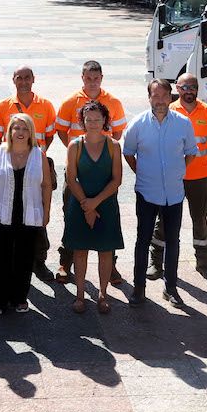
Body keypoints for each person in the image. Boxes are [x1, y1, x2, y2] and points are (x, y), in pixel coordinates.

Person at [122, 79, 199, 308]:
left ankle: (171, 288)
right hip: (147, 192)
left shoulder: (183, 123)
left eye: (165, 96)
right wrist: (142, 173)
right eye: (155, 96)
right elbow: (128, 152)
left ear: (171, 97)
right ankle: (138, 288)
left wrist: (178, 172)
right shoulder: (138, 124)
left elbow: (191, 152)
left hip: (174, 193)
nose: (160, 101)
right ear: (149, 98)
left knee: (173, 241)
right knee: (142, 240)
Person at [55, 61, 128, 285]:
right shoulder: (70, 101)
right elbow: (59, 129)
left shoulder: (113, 101)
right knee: (72, 214)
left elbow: (117, 132)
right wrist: (74, 153)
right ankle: (66, 262)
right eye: (88, 78)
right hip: (78, 168)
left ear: (102, 78)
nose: (92, 81)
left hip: (102, 170)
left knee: (107, 218)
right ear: (82, 77)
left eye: (96, 78)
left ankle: (110, 265)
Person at [150, 73, 207, 282]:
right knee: (164, 220)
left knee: (200, 219)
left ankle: (203, 263)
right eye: (184, 87)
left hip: (200, 177)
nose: (189, 91)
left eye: (193, 87)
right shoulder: (169, 110)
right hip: (172, 178)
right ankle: (156, 263)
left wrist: (204, 158)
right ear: (177, 88)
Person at [0, 66, 58, 281]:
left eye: (27, 77)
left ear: (33, 79)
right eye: (19, 78)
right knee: (12, 216)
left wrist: (35, 157)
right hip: (11, 166)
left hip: (38, 166)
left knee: (36, 213)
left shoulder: (46, 105)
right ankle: (11, 265)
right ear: (14, 80)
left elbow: (49, 136)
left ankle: (39, 262)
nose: (23, 81)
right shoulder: (2, 107)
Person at [0, 112, 52, 315]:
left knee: (24, 257)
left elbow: (46, 185)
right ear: (10, 131)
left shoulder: (38, 155)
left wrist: (46, 211)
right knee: (3, 257)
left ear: (30, 132)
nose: (20, 132)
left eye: (24, 128)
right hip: (4, 213)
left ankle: (20, 298)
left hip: (29, 213)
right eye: (16, 128)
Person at [62, 101, 124, 314]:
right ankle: (80, 295)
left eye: (98, 119)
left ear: (105, 120)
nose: (94, 123)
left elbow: (117, 180)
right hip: (80, 203)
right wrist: (87, 207)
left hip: (105, 204)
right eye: (89, 120)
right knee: (80, 251)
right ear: (82, 121)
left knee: (106, 251)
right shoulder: (75, 145)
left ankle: (103, 294)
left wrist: (95, 203)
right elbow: (71, 178)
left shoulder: (113, 146)